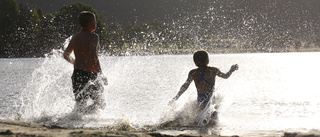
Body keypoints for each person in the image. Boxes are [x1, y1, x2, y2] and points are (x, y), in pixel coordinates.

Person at [63, 11, 107, 112]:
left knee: (80, 104)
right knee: (100, 104)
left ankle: (74, 120)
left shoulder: (75, 37)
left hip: (77, 74)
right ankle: (87, 118)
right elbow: (93, 55)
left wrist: (75, 62)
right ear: (89, 23)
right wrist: (100, 74)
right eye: (94, 22)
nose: (96, 23)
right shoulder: (93, 37)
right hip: (90, 75)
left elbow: (66, 55)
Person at [171, 50, 238, 110]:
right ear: (207, 61)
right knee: (212, 120)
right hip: (211, 101)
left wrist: (176, 97)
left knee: (199, 119)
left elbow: (185, 86)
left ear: (195, 62)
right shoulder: (213, 70)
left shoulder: (193, 73)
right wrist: (231, 70)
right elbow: (226, 76)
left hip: (200, 101)